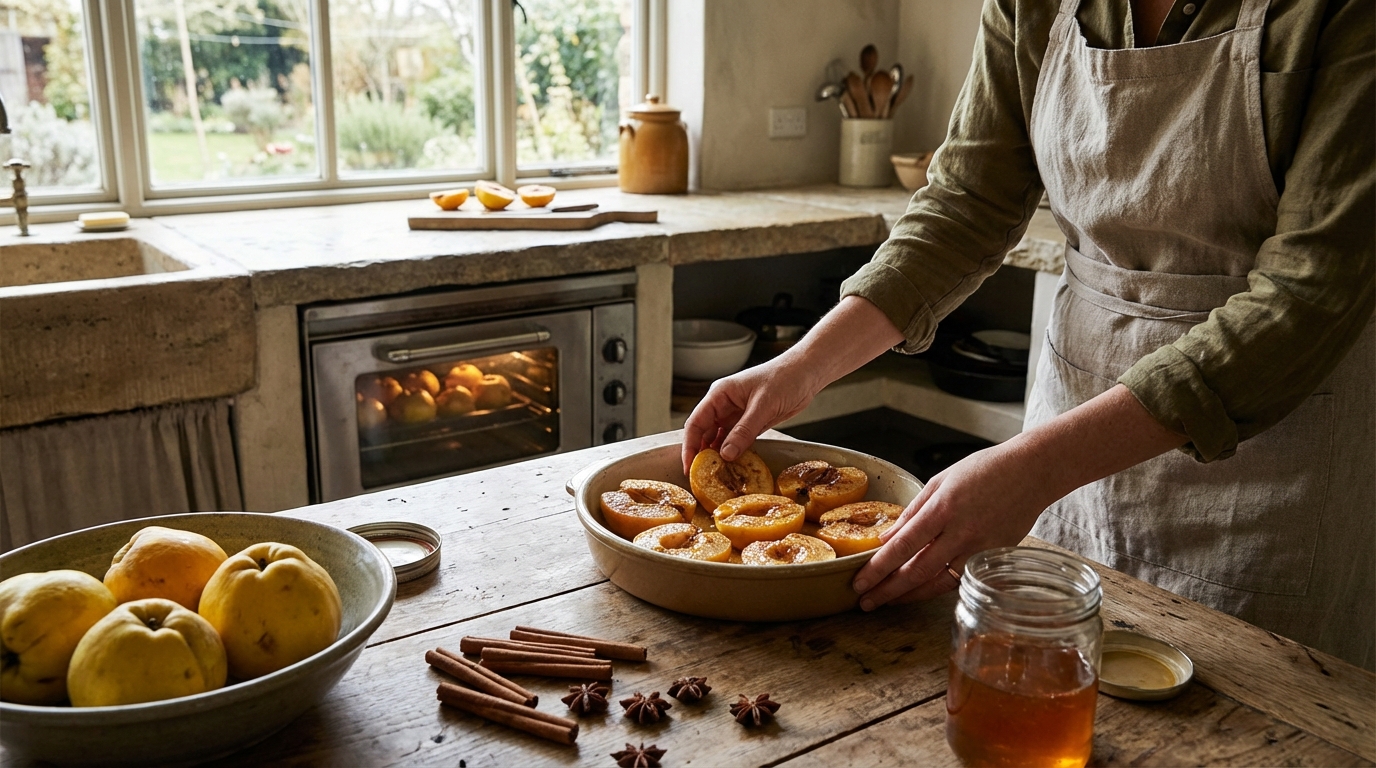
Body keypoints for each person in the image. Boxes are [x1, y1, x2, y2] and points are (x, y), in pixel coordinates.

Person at [682, 0, 1374, 670]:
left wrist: (1037, 466)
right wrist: (801, 365)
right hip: (1071, 424)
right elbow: (966, 204)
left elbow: (1311, 292)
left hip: (1272, 457)